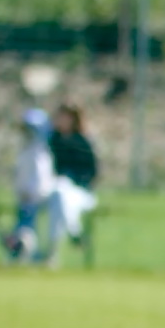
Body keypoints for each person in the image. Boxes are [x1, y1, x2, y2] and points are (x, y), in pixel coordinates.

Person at [46, 101, 99, 254]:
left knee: (63, 199)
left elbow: (91, 172)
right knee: (60, 196)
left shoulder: (82, 142)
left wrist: (72, 181)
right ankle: (73, 231)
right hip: (55, 189)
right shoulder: (53, 140)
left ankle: (51, 251)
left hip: (79, 191)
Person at [9, 109, 56, 263]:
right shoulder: (26, 150)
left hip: (36, 198)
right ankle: (24, 253)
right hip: (25, 197)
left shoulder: (40, 153)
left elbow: (41, 180)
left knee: (26, 225)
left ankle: (29, 253)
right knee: (22, 224)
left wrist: (31, 194)